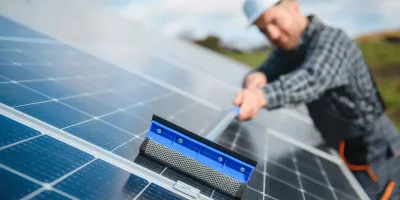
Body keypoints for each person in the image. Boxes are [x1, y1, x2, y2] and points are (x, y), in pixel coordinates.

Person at [236, 0, 400, 199]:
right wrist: (257, 77)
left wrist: (262, 96)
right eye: (263, 31)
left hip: (376, 155)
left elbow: (313, 77)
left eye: (275, 21)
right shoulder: (290, 50)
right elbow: (268, 69)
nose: (273, 35)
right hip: (339, 147)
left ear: (293, 6)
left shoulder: (333, 41)